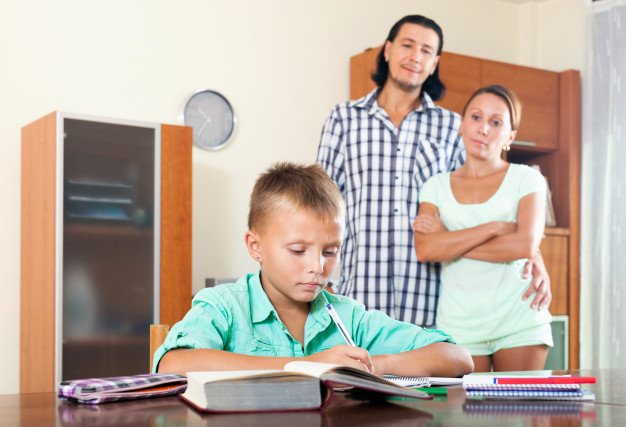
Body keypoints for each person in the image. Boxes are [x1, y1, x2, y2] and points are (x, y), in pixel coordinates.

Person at [316, 14, 551, 328]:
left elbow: (476, 206)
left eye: (426, 51)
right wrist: (322, 275)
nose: (416, 56)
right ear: (387, 50)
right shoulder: (344, 118)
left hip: (430, 296)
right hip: (359, 294)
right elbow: (321, 205)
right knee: (357, 379)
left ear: (434, 62)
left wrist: (532, 254)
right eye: (408, 45)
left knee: (431, 380)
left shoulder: (452, 126)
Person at [153, 162, 473, 377]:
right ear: (255, 246)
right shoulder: (222, 305)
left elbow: (457, 357)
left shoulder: (348, 317)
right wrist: (306, 365)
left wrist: (375, 364)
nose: (317, 267)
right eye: (297, 250)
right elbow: (173, 363)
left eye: (330, 251)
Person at [413, 85, 553, 372]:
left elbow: (523, 246)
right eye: (476, 118)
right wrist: (495, 227)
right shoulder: (435, 186)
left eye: (496, 122)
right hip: (459, 323)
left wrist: (448, 242)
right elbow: (426, 249)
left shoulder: (527, 179)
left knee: (521, 414)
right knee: (462, 415)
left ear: (510, 136)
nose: (483, 129)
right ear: (462, 125)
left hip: (519, 319)